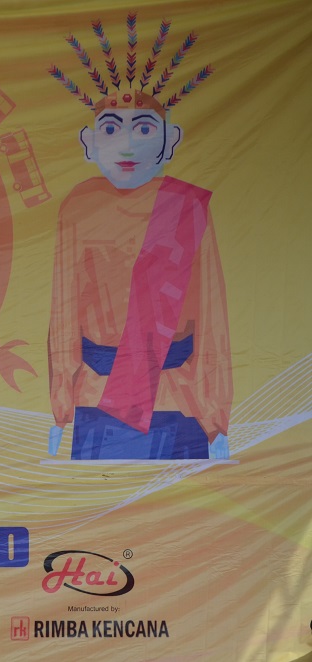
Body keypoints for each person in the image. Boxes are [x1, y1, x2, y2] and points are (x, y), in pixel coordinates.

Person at [47, 15, 232, 460]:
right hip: (98, 396)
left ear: (170, 140)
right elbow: (64, 315)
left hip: (178, 399)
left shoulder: (187, 207)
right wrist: (61, 410)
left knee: (180, 505)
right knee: (102, 503)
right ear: (89, 142)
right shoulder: (79, 207)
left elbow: (211, 321)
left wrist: (216, 419)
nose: (127, 146)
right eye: (111, 129)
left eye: (144, 129)